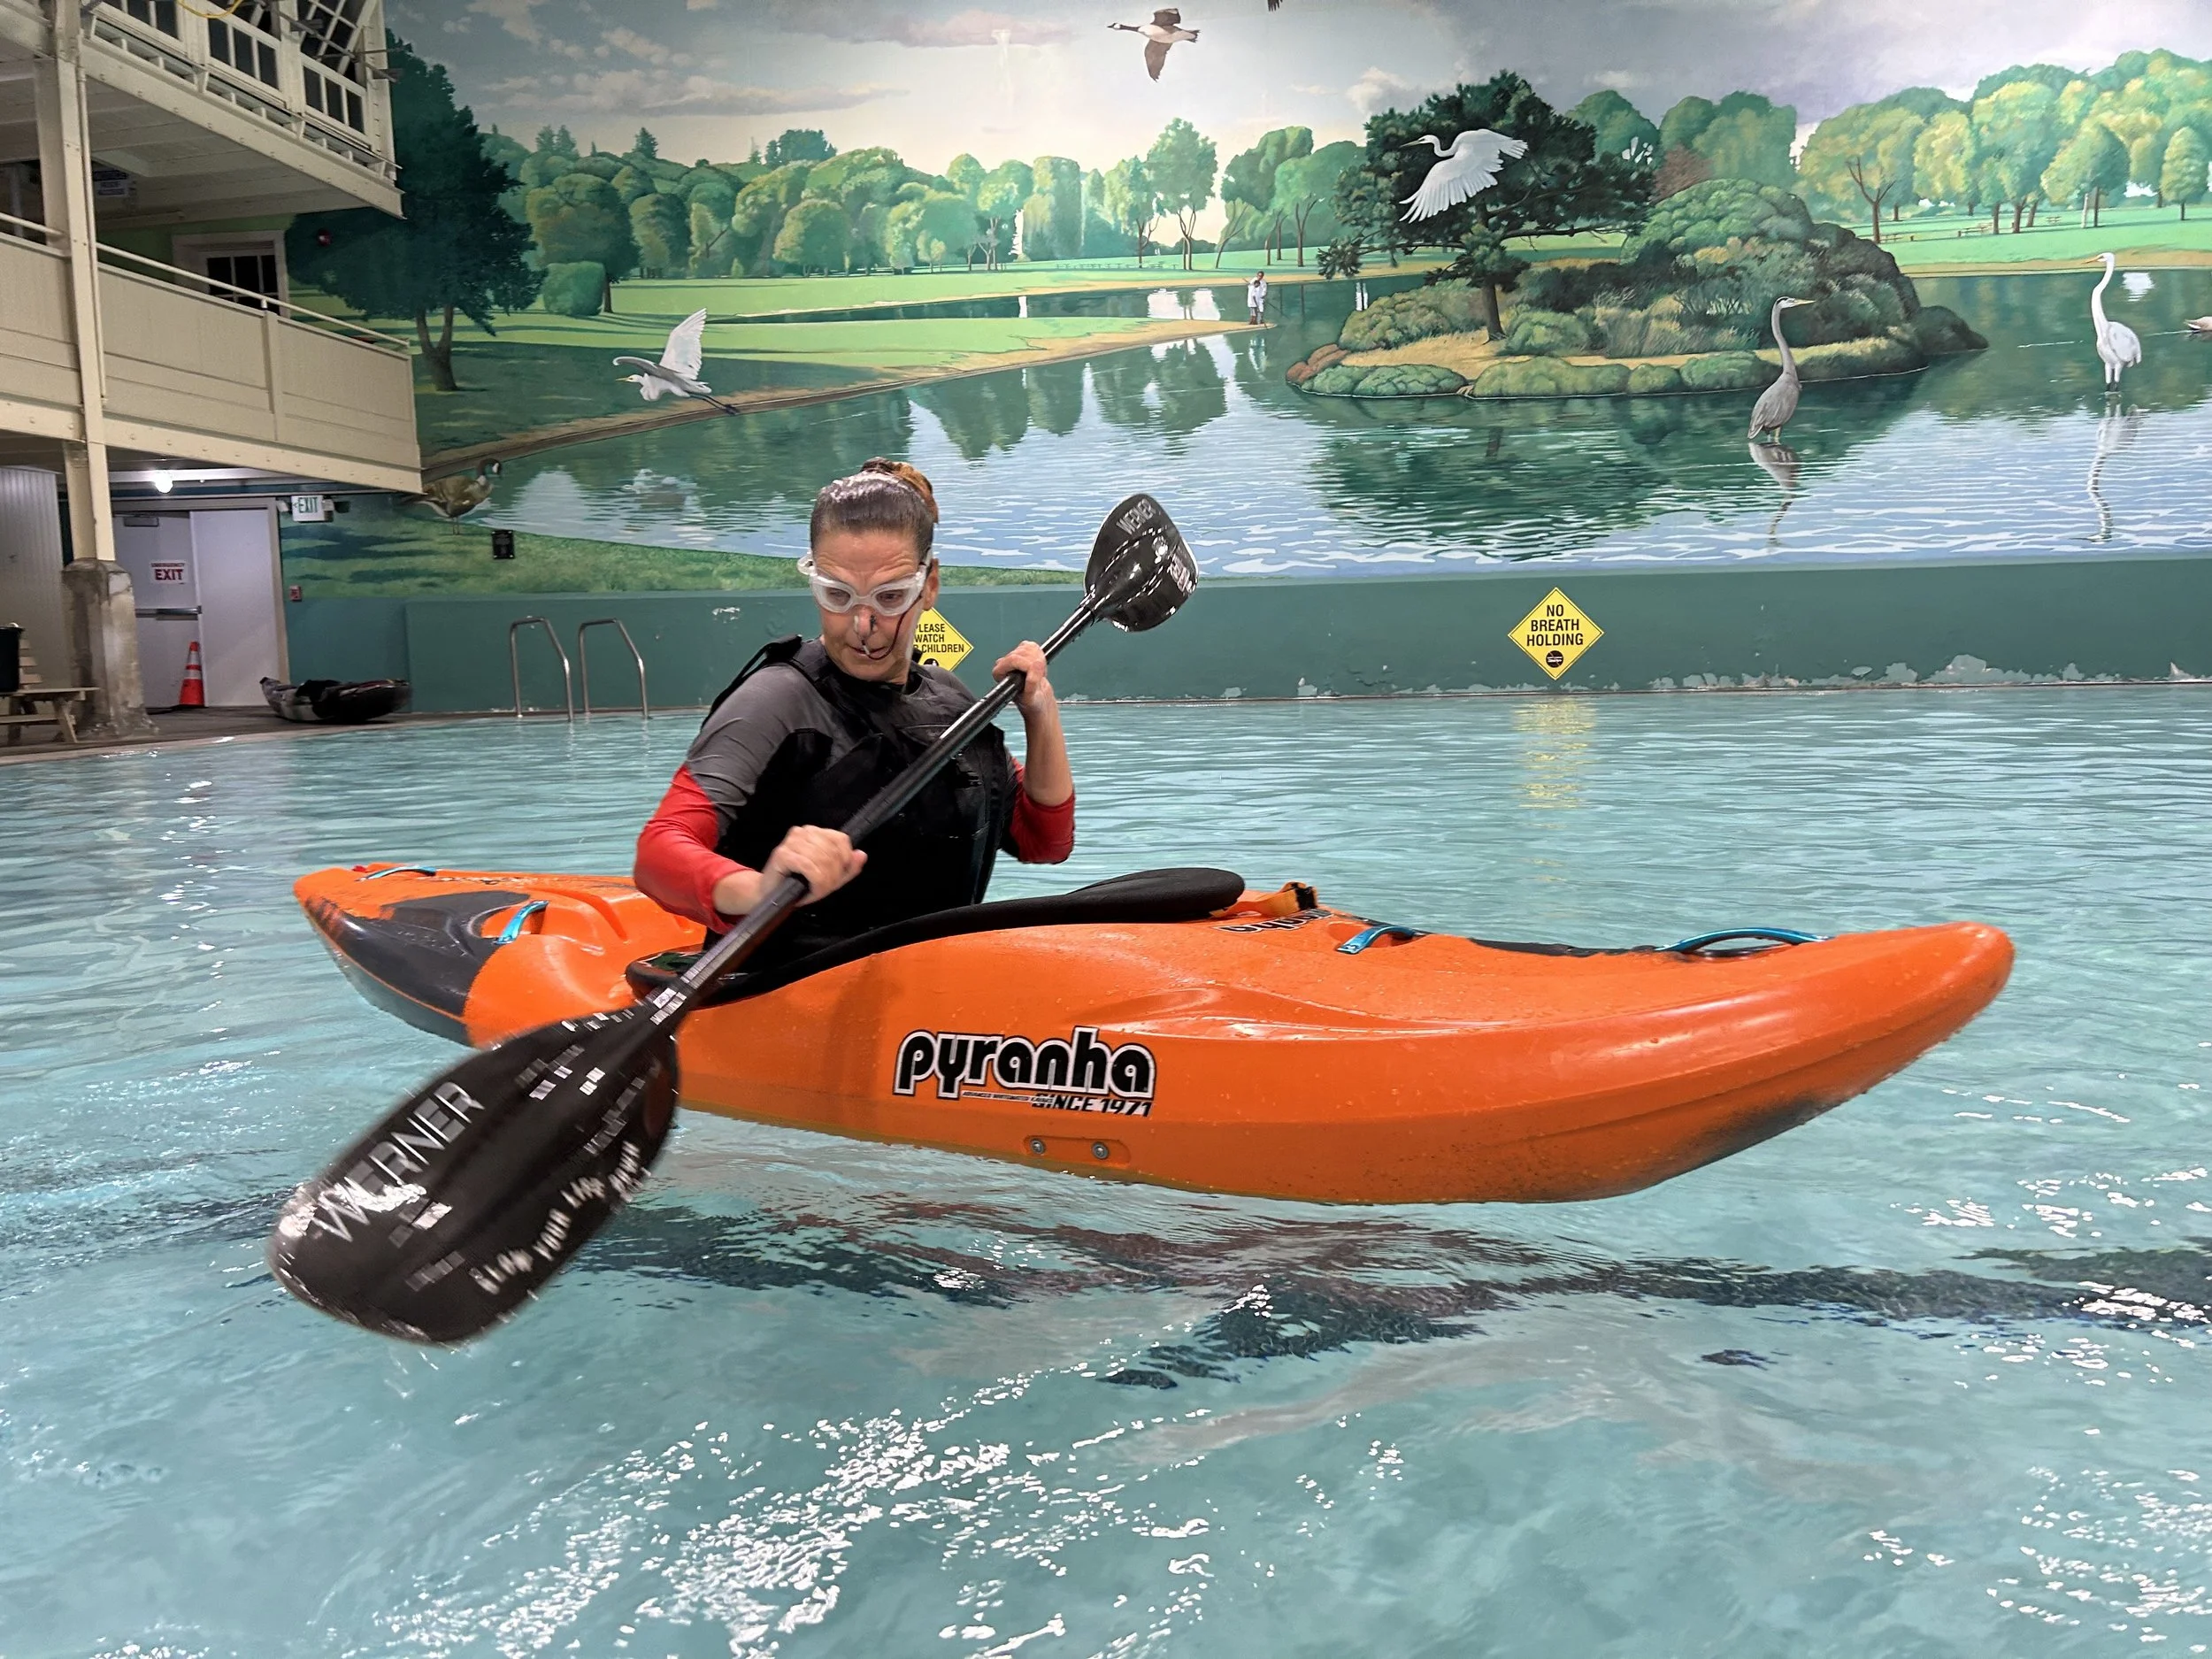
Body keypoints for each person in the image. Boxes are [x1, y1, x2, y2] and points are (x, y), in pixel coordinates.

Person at [634, 458, 1073, 964]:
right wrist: (758, 891)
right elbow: (658, 853)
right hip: (783, 996)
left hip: (925, 1006)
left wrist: (1041, 715)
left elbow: (1045, 841)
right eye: (838, 595)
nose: (863, 625)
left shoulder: (949, 699)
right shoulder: (774, 702)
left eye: (890, 597)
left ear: (929, 585)